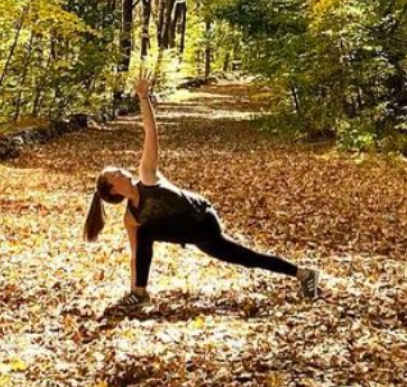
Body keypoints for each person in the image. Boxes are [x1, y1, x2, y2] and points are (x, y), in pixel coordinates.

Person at [83, 72, 320, 310]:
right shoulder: (131, 219)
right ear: (114, 190)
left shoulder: (147, 176)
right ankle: (304, 274)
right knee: (247, 257)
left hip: (203, 220)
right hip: (191, 233)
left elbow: (151, 135)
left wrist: (144, 99)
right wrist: (133, 283)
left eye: (118, 170)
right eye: (115, 174)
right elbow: (137, 257)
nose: (122, 172)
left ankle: (140, 294)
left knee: (148, 232)